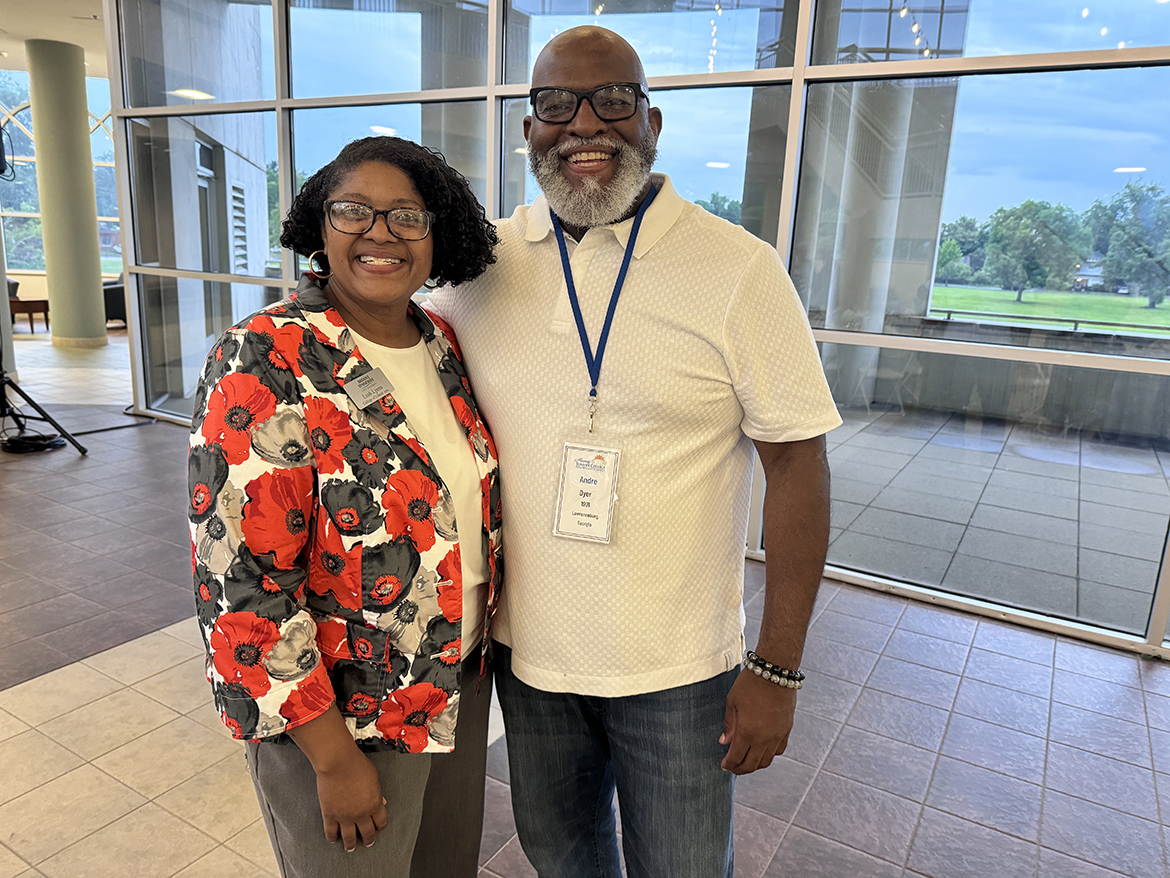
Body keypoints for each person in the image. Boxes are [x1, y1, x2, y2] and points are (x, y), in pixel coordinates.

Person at [427, 26, 840, 878]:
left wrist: (779, 669)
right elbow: (382, 323)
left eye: (612, 100)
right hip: (530, 661)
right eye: (554, 104)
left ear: (653, 122)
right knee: (563, 859)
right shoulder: (481, 267)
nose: (585, 125)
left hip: (678, 668)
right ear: (529, 127)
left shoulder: (738, 270)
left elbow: (797, 467)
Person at [187, 136, 502, 878]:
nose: (381, 233)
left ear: (438, 233)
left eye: (407, 217)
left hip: (450, 689)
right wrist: (332, 759)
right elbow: (240, 582)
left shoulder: (442, 346)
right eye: (354, 210)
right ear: (318, 226)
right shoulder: (265, 355)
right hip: (340, 720)